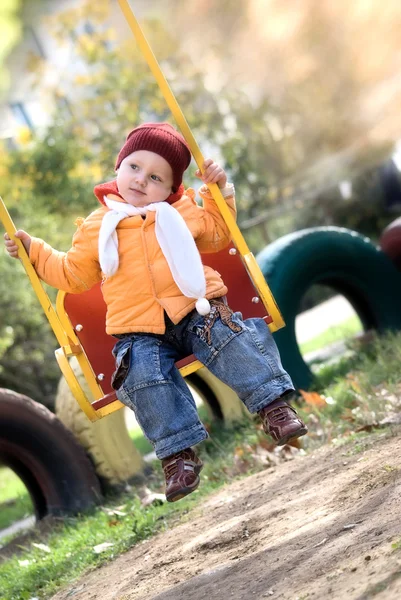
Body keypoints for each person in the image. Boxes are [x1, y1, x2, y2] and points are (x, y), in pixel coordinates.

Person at [4, 122, 307, 502]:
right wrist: (35, 251)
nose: (141, 180)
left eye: (156, 177)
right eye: (134, 167)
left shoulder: (180, 210)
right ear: (118, 166)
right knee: (140, 375)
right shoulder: (98, 226)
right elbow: (73, 275)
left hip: (196, 307)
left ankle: (272, 406)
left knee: (227, 336)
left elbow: (218, 233)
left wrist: (217, 193)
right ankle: (178, 455)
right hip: (138, 328)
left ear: (171, 188)